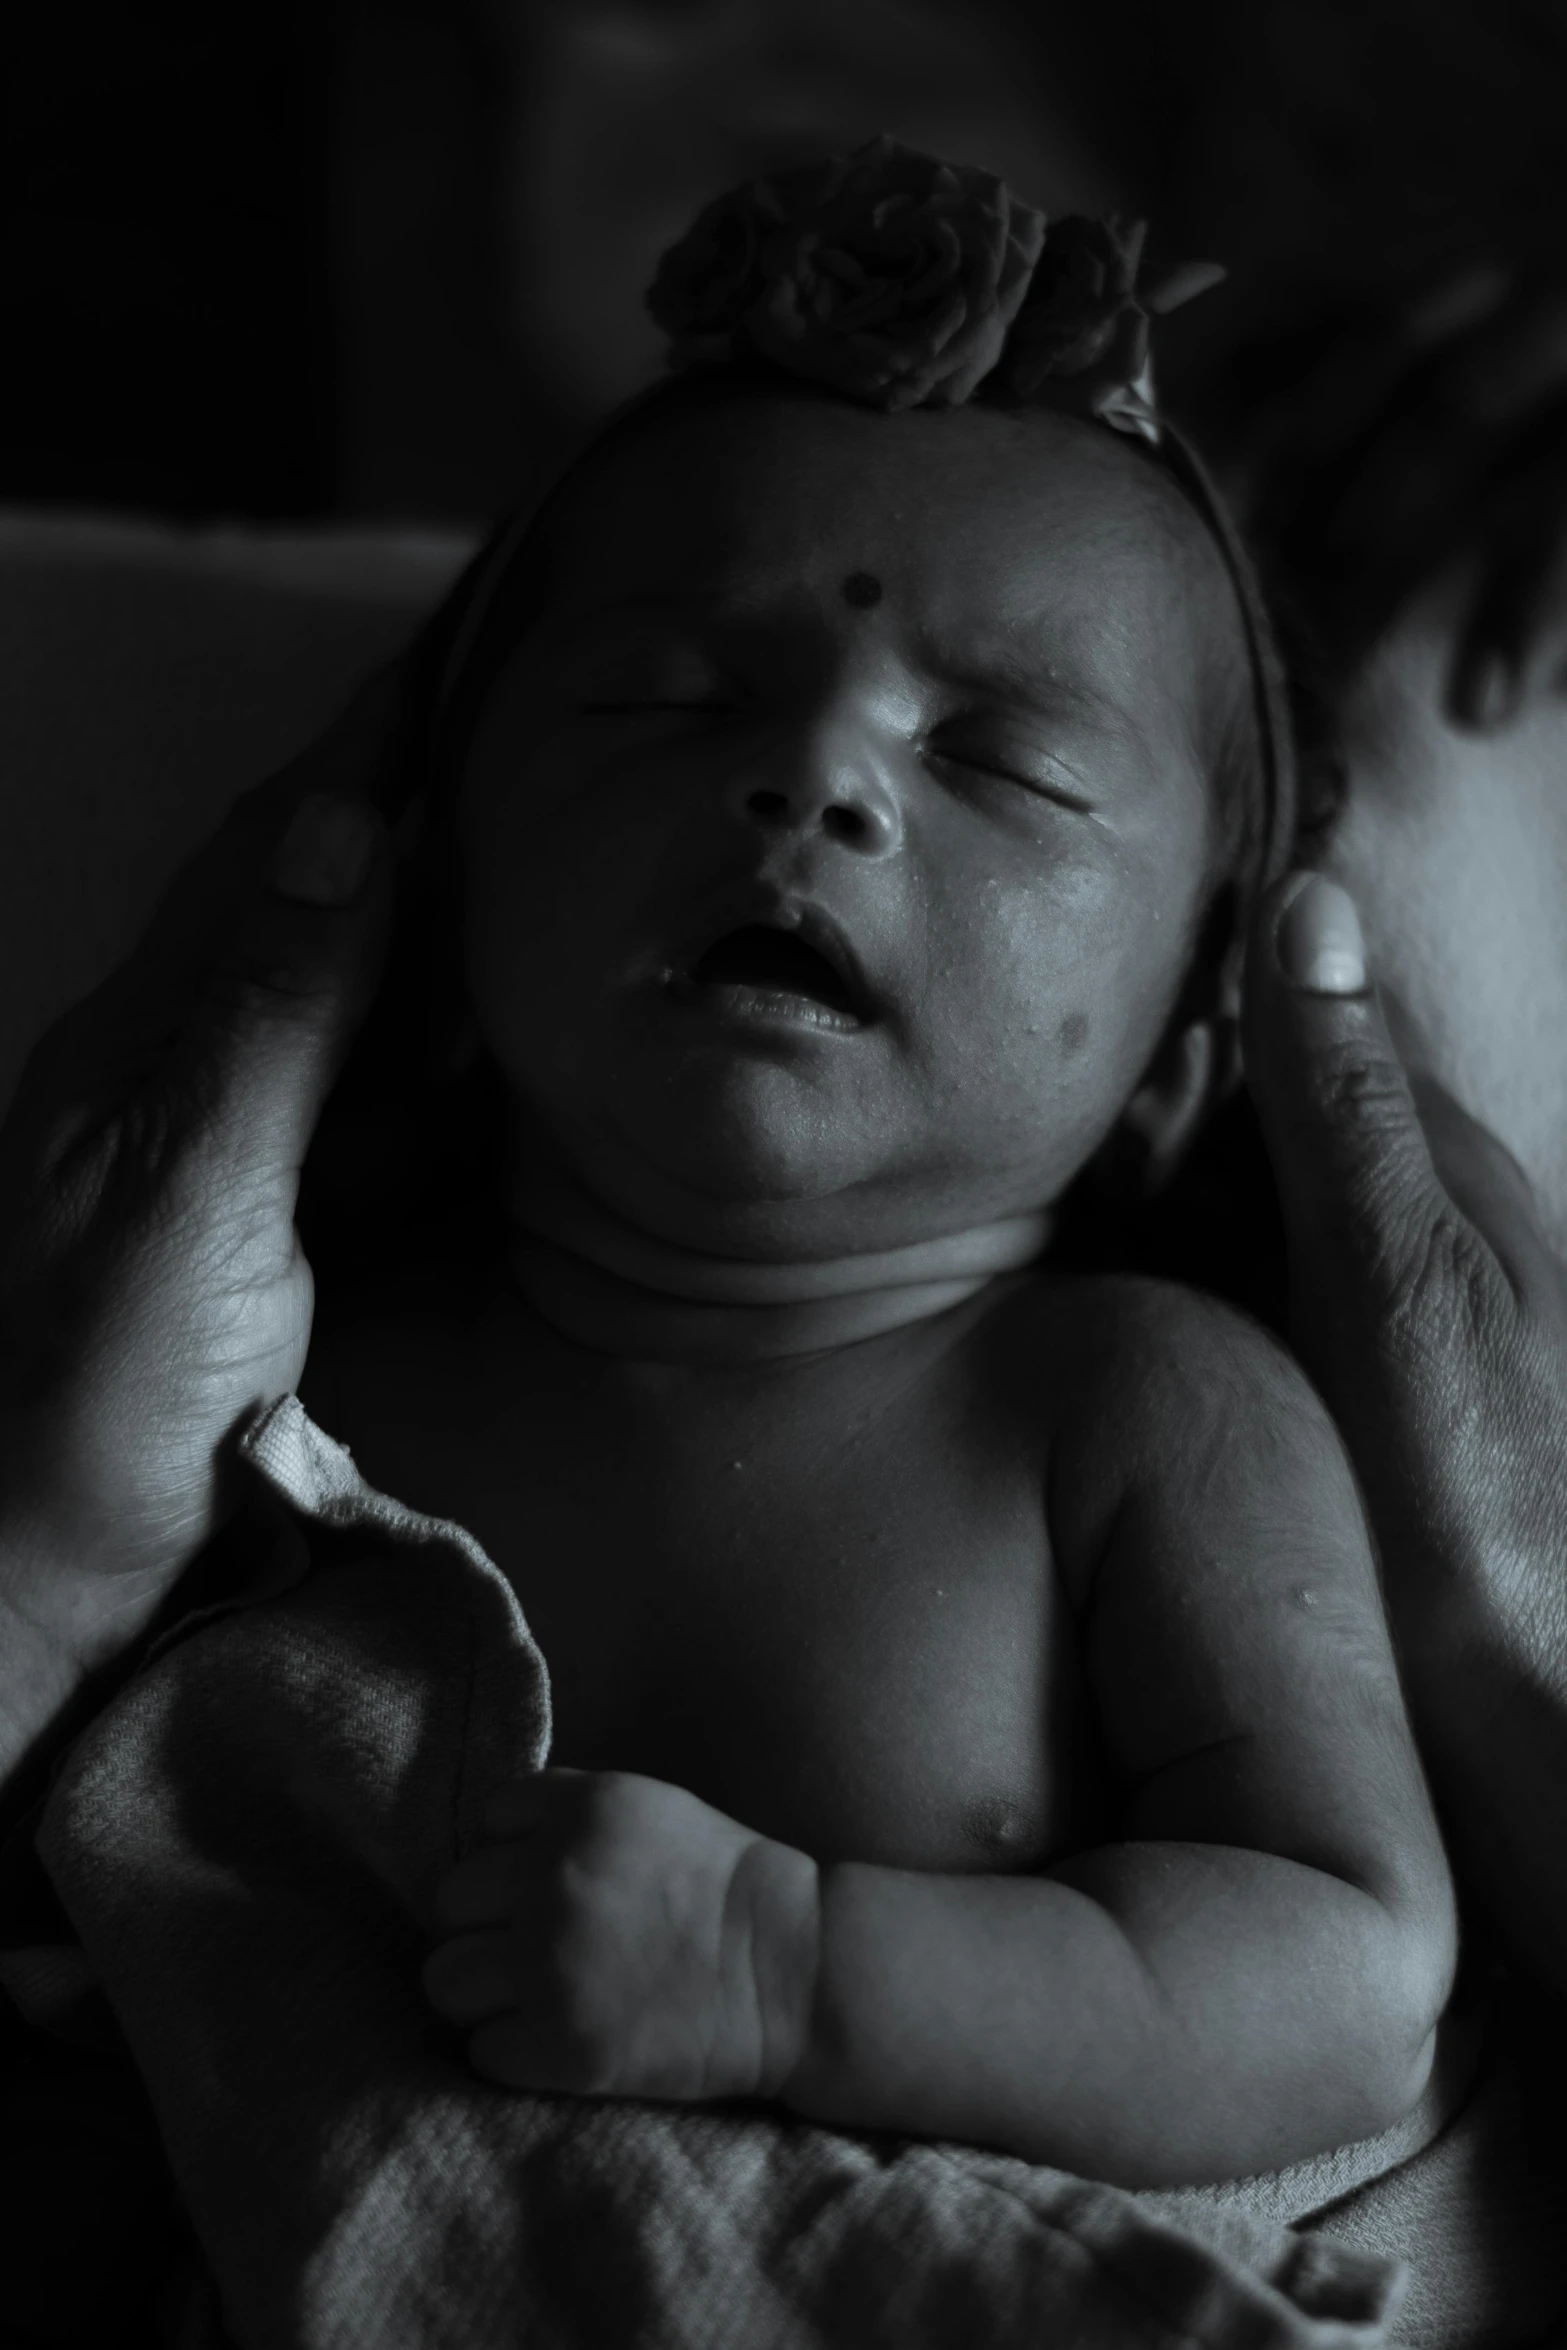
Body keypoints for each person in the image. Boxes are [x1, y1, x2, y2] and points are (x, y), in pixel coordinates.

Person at [0, 145, 1546, 2197]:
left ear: (1193, 1051)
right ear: (435, 872)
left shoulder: (1135, 1405)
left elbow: (1347, 1970)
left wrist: (800, 1967)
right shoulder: (281, 1376)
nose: (816, 768)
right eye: (659, 696)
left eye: (1006, 759)